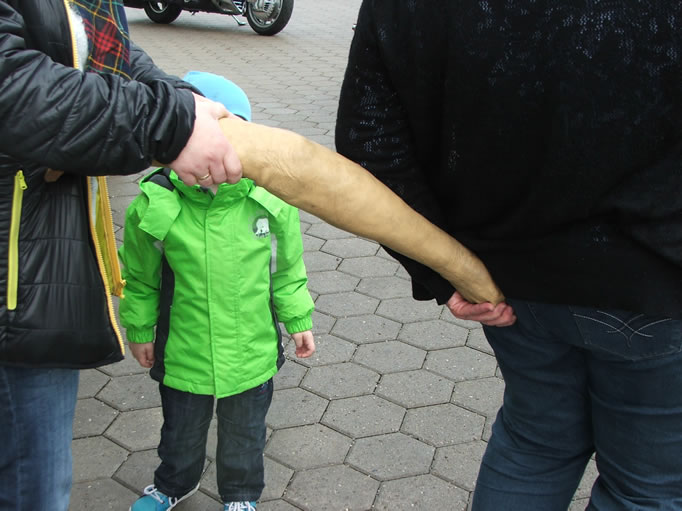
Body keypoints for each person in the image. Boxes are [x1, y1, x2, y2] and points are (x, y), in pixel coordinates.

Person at [335, 2, 682, 510]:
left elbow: (371, 141)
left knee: (536, 444)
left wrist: (444, 269)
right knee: (645, 487)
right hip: (654, 282)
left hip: (506, 283)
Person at [0, 1, 243, 510]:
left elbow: (108, 51)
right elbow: (11, 84)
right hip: (13, 272)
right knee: (31, 486)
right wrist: (171, 123)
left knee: (39, 481)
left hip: (37, 259)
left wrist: (181, 101)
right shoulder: (155, 205)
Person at [119, 71, 316, 511]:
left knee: (245, 434)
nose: (216, 161)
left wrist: (298, 318)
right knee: (180, 430)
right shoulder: (155, 204)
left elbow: (287, 270)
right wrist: (140, 329)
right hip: (183, 353)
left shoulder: (269, 201)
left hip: (251, 352)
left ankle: (241, 495)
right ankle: (174, 483)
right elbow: (141, 277)